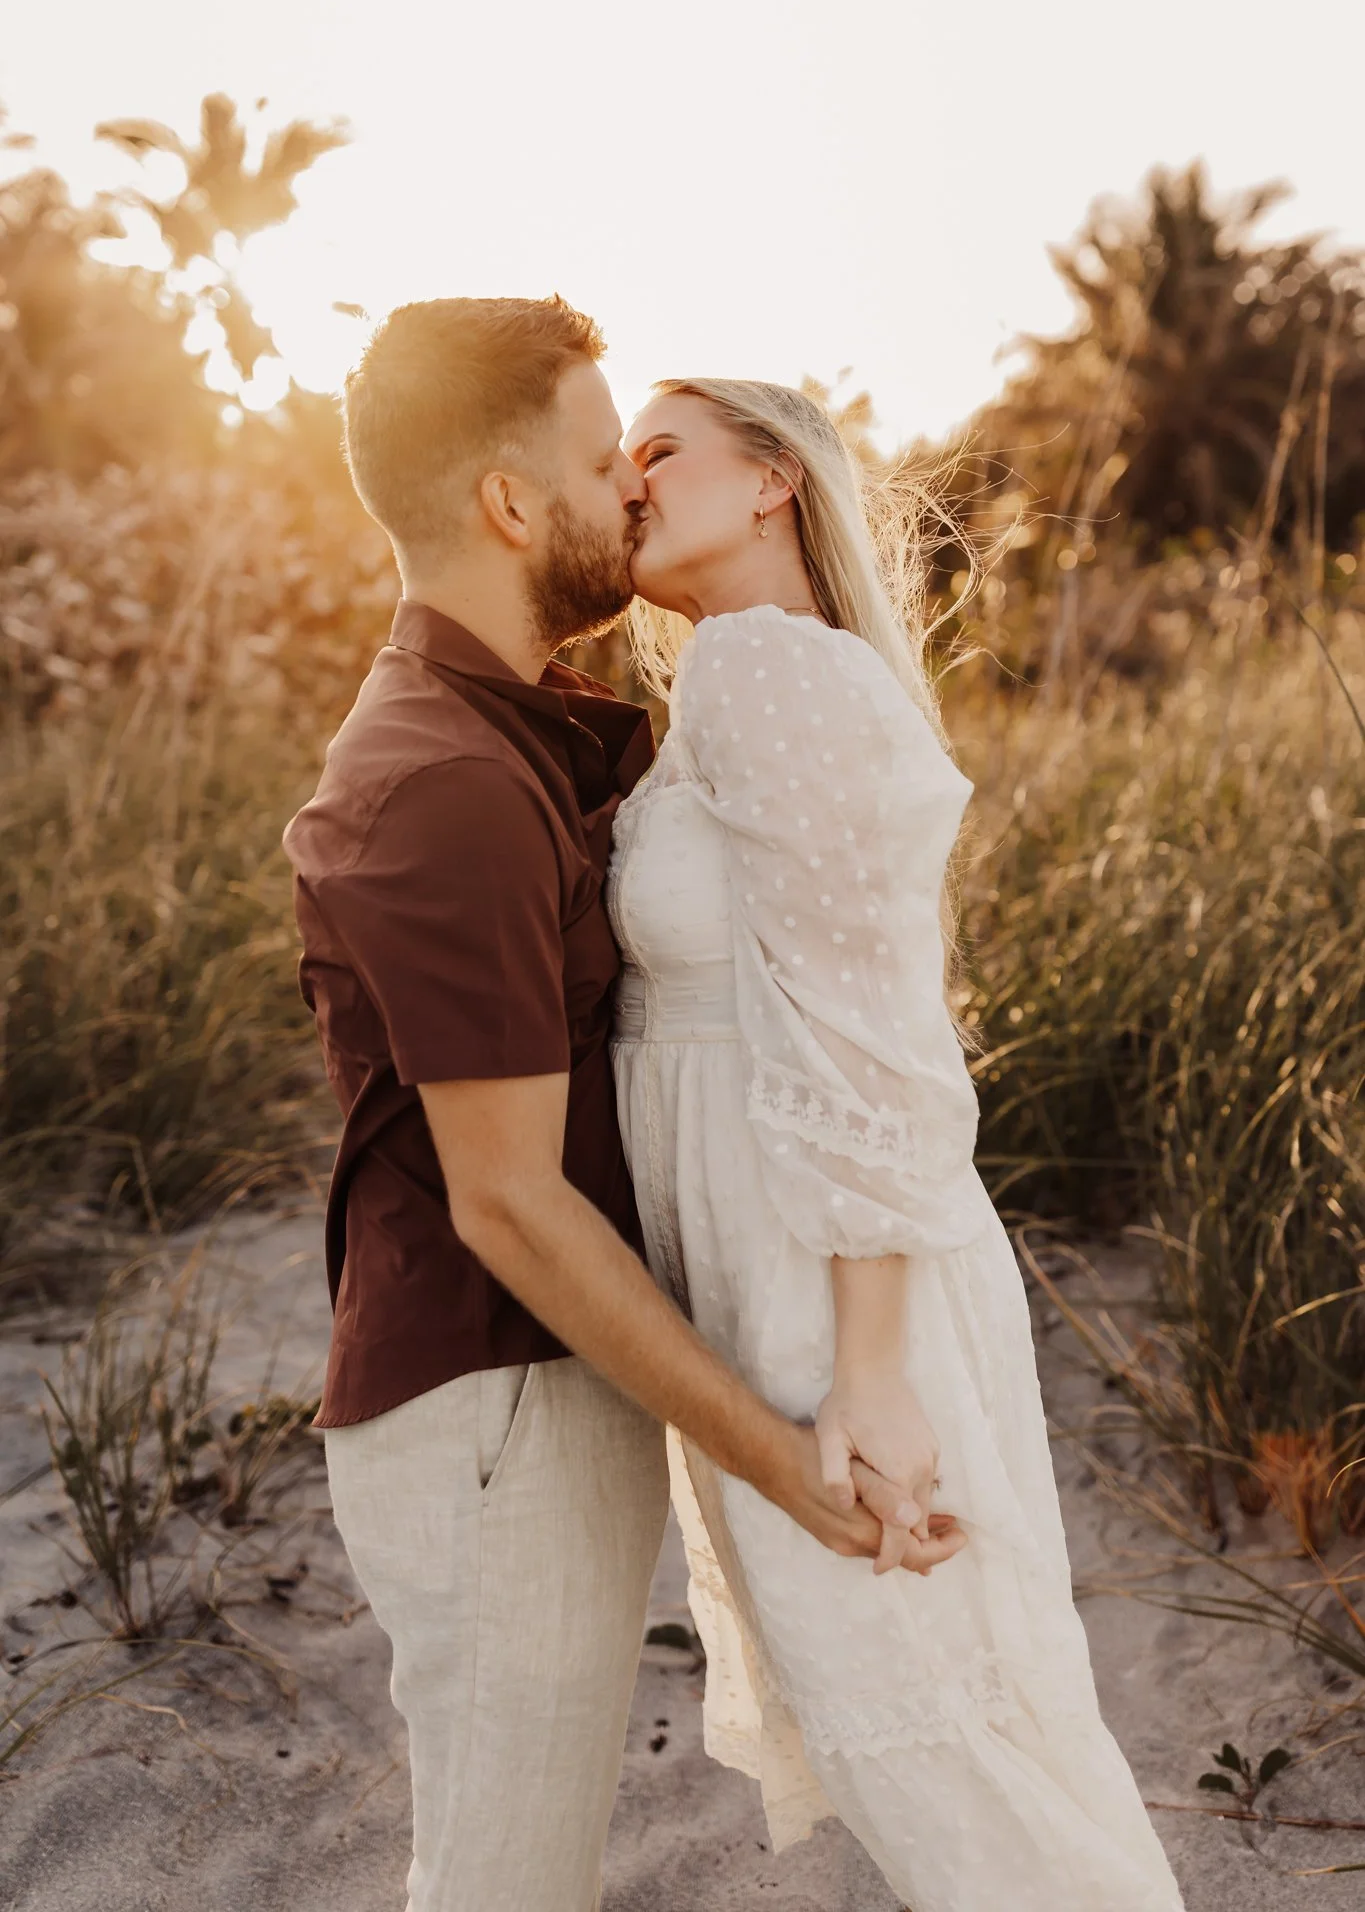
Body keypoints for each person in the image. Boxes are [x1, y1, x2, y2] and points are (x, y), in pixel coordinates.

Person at [281, 298, 963, 1912]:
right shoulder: (439, 782)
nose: (632, 492)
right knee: (505, 1876)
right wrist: (781, 1460)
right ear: (513, 507)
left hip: (550, 1380)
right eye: (606, 463)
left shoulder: (526, 735)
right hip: (495, 1405)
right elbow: (507, 1200)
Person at [608, 376, 1189, 1910]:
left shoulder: (762, 667)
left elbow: (869, 1029)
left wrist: (868, 1365)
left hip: (824, 1272)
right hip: (782, 1251)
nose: (626, 481)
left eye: (660, 450)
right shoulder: (734, 684)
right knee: (935, 1724)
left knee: (939, 1740)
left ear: (774, 483)